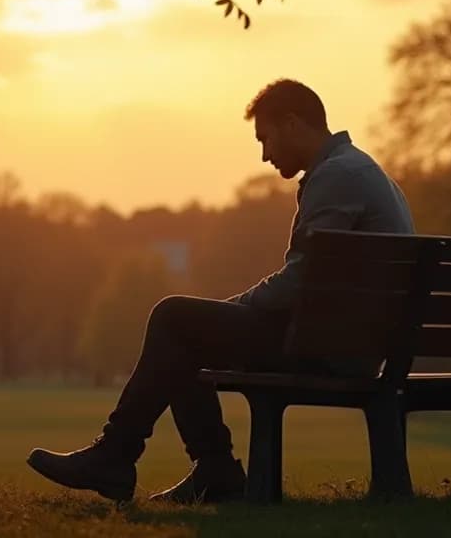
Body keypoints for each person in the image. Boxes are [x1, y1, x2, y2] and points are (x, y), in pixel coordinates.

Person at [26, 79, 415, 503]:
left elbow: (300, 281)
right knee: (185, 332)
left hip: (331, 348)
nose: (265, 155)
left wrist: (233, 308)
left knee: (174, 317)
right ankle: (193, 466)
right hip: (353, 343)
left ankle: (129, 456)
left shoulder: (337, 177)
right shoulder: (363, 170)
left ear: (291, 123)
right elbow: (315, 282)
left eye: (265, 138)